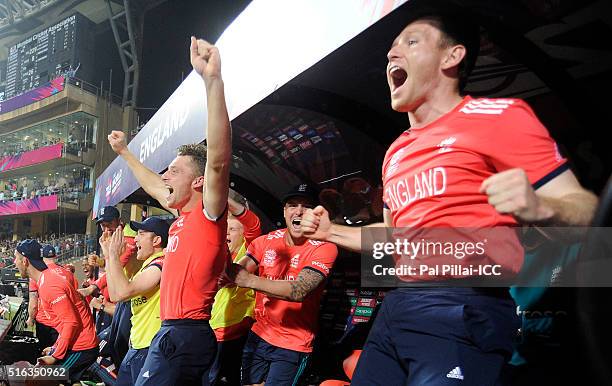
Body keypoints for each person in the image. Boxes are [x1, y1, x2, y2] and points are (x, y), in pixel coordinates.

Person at [300, 3, 597, 385]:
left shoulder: (501, 116)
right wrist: (330, 233)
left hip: (465, 304)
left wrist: (542, 205)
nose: (393, 53)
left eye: (411, 41)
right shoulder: (396, 151)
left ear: (453, 56)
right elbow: (394, 241)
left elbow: (587, 210)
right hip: (398, 307)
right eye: (391, 48)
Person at [107, 36, 232, 385]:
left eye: (174, 171)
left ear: (198, 182)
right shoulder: (180, 220)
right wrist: (125, 153)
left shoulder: (208, 216)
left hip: (186, 334)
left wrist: (212, 81)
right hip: (172, 333)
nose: (165, 176)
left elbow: (219, 161)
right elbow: (152, 184)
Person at [229, 184, 338, 385]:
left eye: (306, 206)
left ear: (316, 214)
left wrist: (249, 280)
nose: (298, 211)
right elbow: (236, 272)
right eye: (292, 205)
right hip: (258, 334)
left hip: (293, 344)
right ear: (285, 211)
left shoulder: (325, 247)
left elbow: (300, 290)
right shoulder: (266, 241)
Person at [14, 239, 98, 384]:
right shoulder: (46, 279)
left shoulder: (49, 285)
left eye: (16, 258)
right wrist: (55, 348)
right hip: (76, 344)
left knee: (35, 382)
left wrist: (55, 355)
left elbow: (71, 322)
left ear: (25, 261)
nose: (14, 262)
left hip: (82, 347)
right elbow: (65, 321)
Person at [102, 217, 169, 386]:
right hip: (138, 346)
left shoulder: (160, 264)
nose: (136, 239)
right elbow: (115, 294)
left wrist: (115, 256)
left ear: (156, 240)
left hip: (150, 347)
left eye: (141, 234)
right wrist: (109, 258)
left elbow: (123, 292)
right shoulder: (147, 266)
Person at [209, 197, 261, 386]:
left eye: (231, 229)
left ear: (243, 234)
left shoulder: (249, 250)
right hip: (214, 330)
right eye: (225, 229)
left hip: (235, 331)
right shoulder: (221, 255)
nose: (226, 233)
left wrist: (222, 198)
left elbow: (253, 226)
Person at [27, 244, 79, 352]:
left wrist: (31, 319)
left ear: (42, 258)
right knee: (60, 352)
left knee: (45, 354)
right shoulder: (68, 273)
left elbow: (33, 304)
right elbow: (75, 299)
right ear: (55, 256)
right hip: (62, 323)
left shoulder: (38, 274)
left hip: (44, 321)